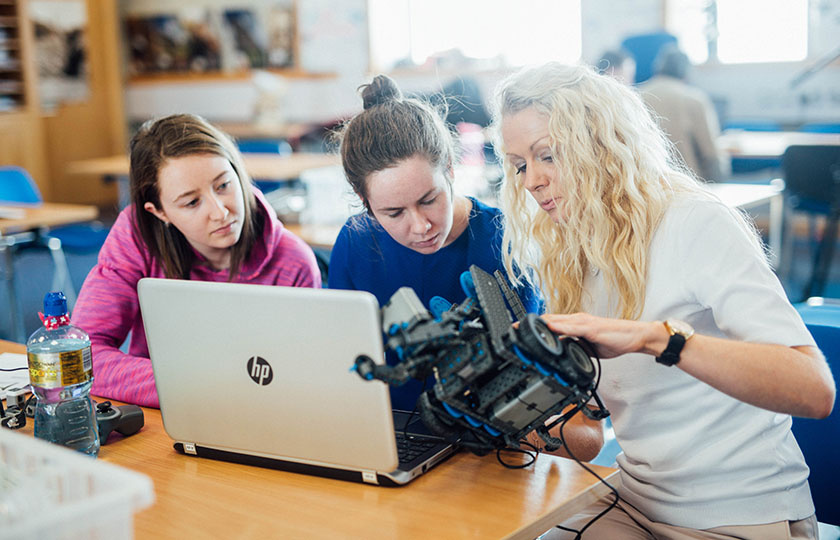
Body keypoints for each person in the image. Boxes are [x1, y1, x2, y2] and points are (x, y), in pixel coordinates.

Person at [492, 62, 834, 539]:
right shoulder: (572, 249)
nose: (532, 182)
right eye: (520, 165)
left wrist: (657, 340)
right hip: (635, 500)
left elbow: (814, 390)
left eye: (548, 155)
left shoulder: (695, 221)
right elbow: (590, 429)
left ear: (600, 144)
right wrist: (513, 410)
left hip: (742, 510)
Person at [73, 114, 321, 408]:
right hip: (160, 415)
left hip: (256, 414)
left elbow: (301, 382)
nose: (220, 212)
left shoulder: (293, 262)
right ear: (159, 212)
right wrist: (191, 386)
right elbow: (81, 357)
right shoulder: (137, 235)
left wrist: (195, 387)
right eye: (192, 202)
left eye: (223, 185)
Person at [329, 74, 542, 411]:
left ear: (449, 169)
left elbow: (531, 377)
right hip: (388, 430)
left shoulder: (504, 241)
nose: (421, 226)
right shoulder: (356, 242)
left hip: (489, 433)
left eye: (429, 199)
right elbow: (340, 359)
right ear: (363, 199)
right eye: (394, 213)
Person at [640, 44, 728, 182]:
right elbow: (711, 155)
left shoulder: (635, 96)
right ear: (686, 72)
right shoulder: (694, 100)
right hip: (688, 186)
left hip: (645, 186)